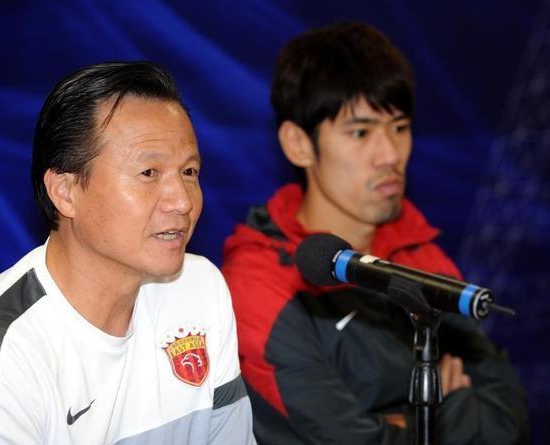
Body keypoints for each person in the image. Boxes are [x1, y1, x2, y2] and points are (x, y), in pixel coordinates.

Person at [0, 62, 255, 444]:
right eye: (149, 173)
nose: (182, 201)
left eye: (189, 172)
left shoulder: (200, 287)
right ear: (64, 192)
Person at [221, 23, 528, 444]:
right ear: (298, 144)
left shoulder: (415, 247)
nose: (389, 155)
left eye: (399, 127)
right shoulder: (259, 287)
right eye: (360, 132)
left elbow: (509, 412)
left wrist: (405, 424)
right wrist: (444, 409)